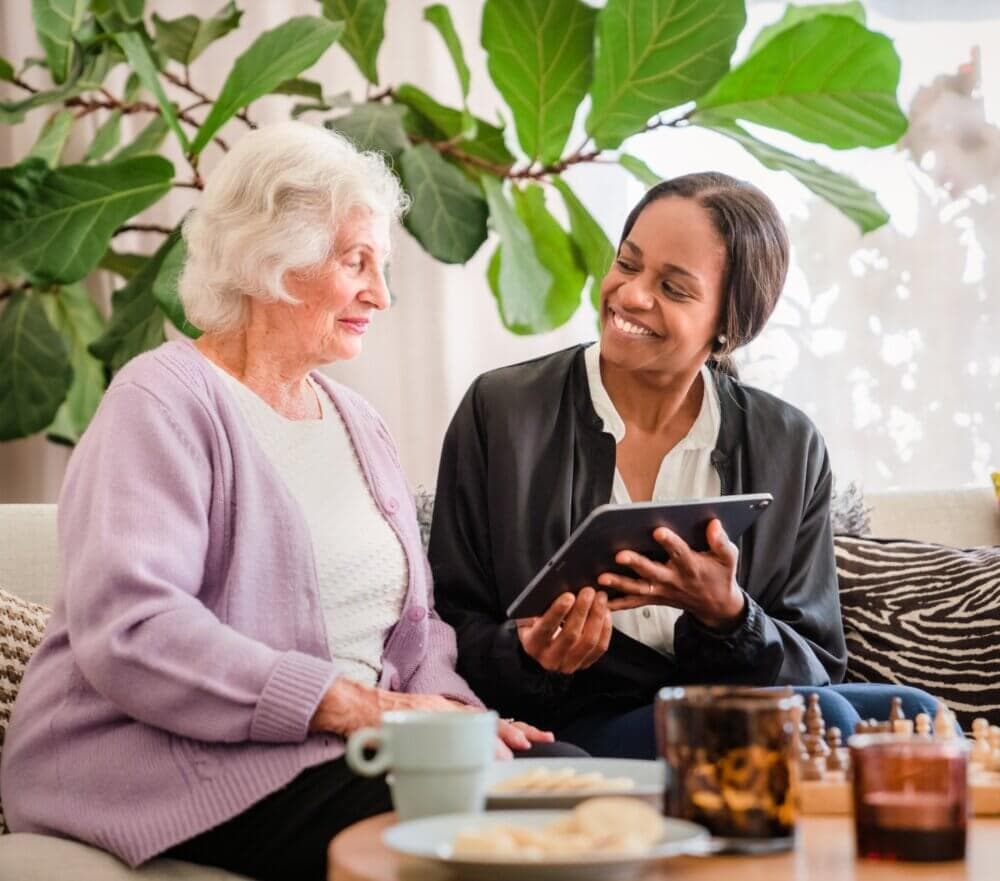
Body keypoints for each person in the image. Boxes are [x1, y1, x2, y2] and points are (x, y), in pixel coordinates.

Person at [0, 122, 563, 881]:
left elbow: (415, 630)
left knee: (579, 784)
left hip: (347, 747)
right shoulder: (159, 404)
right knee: (482, 831)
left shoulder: (357, 421)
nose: (381, 294)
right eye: (356, 261)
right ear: (274, 260)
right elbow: (134, 628)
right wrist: (362, 707)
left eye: (382, 265)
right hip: (174, 760)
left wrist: (456, 716)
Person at [429, 172, 942, 760]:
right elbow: (445, 623)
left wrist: (727, 614)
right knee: (823, 718)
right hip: (575, 718)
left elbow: (818, 661)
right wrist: (530, 653)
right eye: (628, 264)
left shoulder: (788, 442)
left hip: (733, 701)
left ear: (729, 323)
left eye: (673, 289)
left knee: (921, 716)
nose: (630, 296)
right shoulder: (502, 411)